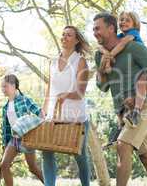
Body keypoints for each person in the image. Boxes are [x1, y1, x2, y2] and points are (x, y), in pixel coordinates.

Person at [93, 12, 147, 186]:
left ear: (111, 28)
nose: (95, 32)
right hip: (124, 113)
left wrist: (137, 95)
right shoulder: (99, 55)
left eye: (98, 28)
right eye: (93, 29)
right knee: (146, 156)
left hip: (143, 105)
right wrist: (101, 69)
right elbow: (103, 87)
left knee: (122, 145)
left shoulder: (133, 47)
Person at [41, 25, 90, 186]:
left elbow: (80, 92)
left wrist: (67, 94)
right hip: (53, 115)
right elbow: (49, 89)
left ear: (76, 40)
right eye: (63, 35)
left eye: (69, 35)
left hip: (75, 117)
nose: (64, 37)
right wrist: (44, 109)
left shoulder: (80, 61)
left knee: (80, 155)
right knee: (46, 151)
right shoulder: (53, 62)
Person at [100, 11, 147, 127]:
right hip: (130, 70)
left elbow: (121, 45)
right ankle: (121, 119)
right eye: (121, 20)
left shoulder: (133, 33)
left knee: (141, 84)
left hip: (142, 67)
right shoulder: (120, 36)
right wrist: (105, 52)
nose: (123, 22)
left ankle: (136, 111)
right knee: (119, 87)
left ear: (134, 24)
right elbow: (100, 46)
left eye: (127, 20)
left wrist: (109, 56)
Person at [0, 74, 44, 186]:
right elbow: (6, 129)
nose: (3, 89)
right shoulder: (5, 107)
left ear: (14, 86)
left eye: (5, 86)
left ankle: (50, 184)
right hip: (14, 140)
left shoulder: (24, 100)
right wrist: (5, 146)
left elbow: (39, 112)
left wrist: (42, 125)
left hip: (27, 138)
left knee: (33, 168)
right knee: (4, 165)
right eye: (2, 87)